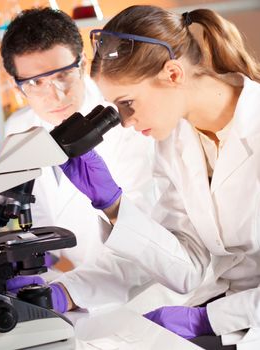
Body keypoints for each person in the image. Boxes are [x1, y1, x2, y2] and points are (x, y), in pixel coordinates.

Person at [48, 5, 260, 349]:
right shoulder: (177, 140)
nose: (126, 121)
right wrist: (113, 205)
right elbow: (187, 263)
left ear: (173, 74)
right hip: (228, 322)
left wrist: (210, 319)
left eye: (128, 102)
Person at [0, 7, 155, 268]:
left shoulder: (127, 118)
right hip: (75, 283)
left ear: (83, 64)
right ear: (17, 85)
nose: (56, 95)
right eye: (36, 83)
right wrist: (34, 261)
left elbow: (147, 231)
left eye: (63, 75)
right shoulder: (19, 127)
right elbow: (37, 212)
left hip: (141, 286)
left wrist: (72, 292)